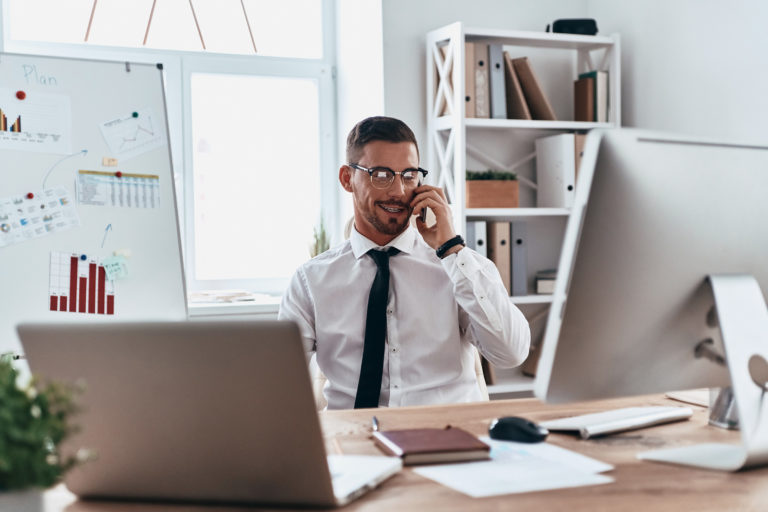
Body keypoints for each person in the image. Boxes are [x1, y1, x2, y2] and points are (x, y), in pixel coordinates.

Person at [279, 116, 530, 409]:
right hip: (355, 441)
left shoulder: (458, 267)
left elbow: (511, 353)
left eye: (409, 175)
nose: (398, 191)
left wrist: (452, 250)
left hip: (448, 437)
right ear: (348, 179)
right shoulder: (311, 281)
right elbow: (278, 382)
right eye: (381, 175)